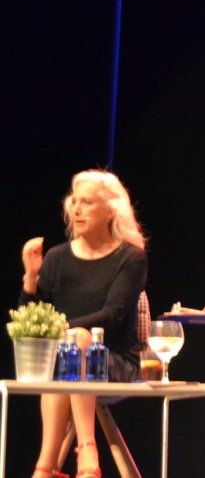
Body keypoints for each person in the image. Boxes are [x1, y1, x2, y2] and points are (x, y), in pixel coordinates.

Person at [19, 170, 148, 478]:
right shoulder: (56, 257)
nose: (76, 209)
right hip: (65, 361)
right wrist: (31, 277)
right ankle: (46, 466)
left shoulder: (130, 258)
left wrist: (63, 333)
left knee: (73, 343)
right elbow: (30, 324)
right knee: (65, 352)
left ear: (110, 210)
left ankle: (86, 453)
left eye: (87, 202)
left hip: (116, 363)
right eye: (74, 201)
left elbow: (113, 316)